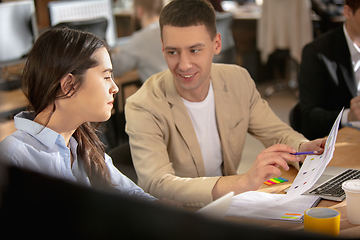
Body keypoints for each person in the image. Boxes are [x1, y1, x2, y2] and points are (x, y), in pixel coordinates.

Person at [125, 0, 326, 206]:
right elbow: (158, 184)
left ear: (217, 44)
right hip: (179, 217)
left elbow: (277, 134)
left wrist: (303, 147)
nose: (184, 65)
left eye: (195, 50)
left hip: (231, 204)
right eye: (173, 52)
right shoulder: (142, 105)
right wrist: (243, 181)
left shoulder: (237, 80)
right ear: (162, 47)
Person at [0, 28, 180, 206]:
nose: (114, 87)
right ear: (69, 84)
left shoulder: (84, 145)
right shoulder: (13, 156)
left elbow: (130, 194)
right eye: (107, 77)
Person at [297, 0, 360, 140]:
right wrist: (349, 115)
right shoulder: (317, 52)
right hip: (337, 142)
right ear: (348, 12)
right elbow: (309, 117)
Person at [111, 0, 167, 83]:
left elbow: (115, 68)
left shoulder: (140, 38)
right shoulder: (170, 30)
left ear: (139, 11)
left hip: (158, 94)